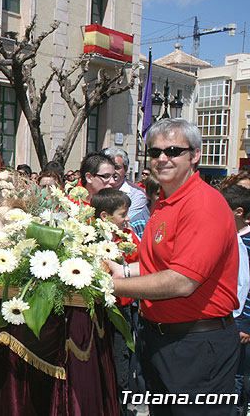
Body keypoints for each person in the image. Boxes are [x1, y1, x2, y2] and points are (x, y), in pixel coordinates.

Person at [108, 119, 240, 416]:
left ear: (195, 155)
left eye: (173, 150)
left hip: (196, 346)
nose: (162, 158)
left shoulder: (203, 204)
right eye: (155, 152)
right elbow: (160, 265)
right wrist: (122, 271)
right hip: (162, 340)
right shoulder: (166, 202)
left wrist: (110, 285)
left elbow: (181, 281)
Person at [91, 188, 141, 415]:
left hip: (123, 310)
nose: (127, 219)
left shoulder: (128, 238)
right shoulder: (90, 238)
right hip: (99, 312)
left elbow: (139, 264)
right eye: (122, 214)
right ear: (104, 216)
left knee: (122, 365)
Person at [220, 185, 250, 415]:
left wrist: (246, 323)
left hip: (240, 320)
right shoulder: (222, 235)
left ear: (239, 212)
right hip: (220, 317)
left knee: (238, 376)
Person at [102, 148, 149, 222]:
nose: (113, 171)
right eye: (110, 167)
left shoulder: (137, 194)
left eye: (117, 168)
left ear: (125, 169)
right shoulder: (97, 187)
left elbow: (126, 221)